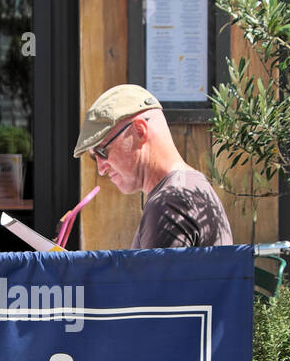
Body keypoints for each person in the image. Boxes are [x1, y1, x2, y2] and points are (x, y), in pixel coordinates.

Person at [74, 84, 232, 249]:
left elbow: (156, 276)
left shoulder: (170, 202)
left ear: (140, 130)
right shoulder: (189, 185)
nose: (101, 169)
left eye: (102, 151)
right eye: (94, 157)